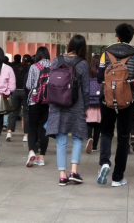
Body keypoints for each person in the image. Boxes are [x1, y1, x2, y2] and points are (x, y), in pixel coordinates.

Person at [97, 23, 134, 187]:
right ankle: (117, 177)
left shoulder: (106, 53)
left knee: (106, 133)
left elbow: (99, 78)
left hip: (107, 99)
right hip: (127, 101)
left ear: (117, 37)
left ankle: (104, 162)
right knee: (123, 137)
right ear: (131, 38)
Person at [46, 35, 91, 186]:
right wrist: (86, 107)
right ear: (82, 48)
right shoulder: (82, 63)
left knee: (61, 140)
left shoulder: (56, 60)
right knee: (77, 137)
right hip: (76, 104)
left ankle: (61, 175)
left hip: (57, 104)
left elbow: (51, 83)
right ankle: (73, 172)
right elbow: (86, 89)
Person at [25, 47, 51, 167]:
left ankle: (31, 151)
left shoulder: (34, 67)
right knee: (44, 129)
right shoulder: (54, 66)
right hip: (48, 103)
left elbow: (28, 85)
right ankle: (41, 158)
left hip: (34, 101)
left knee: (32, 128)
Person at [7, 54, 32, 142]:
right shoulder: (29, 68)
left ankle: (9, 133)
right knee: (26, 114)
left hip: (15, 92)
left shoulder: (14, 68)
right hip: (25, 92)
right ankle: (25, 135)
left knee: (13, 112)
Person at [86, 55, 101, 154]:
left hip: (89, 101)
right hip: (99, 102)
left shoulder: (88, 72)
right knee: (98, 125)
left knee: (88, 123)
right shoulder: (102, 72)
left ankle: (89, 138)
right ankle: (95, 146)